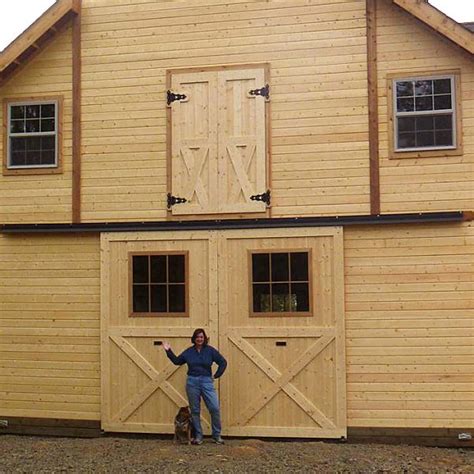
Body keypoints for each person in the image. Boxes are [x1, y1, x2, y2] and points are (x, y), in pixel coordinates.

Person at [163, 328, 227, 445]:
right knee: (195, 411)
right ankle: (198, 436)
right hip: (192, 382)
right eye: (197, 337)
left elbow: (223, 362)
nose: (199, 339)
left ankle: (216, 435)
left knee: (214, 408)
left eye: (202, 337)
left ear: (204, 338)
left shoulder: (210, 351)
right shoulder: (189, 352)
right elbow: (177, 361)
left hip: (207, 381)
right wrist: (168, 351)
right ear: (194, 339)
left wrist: (216, 375)